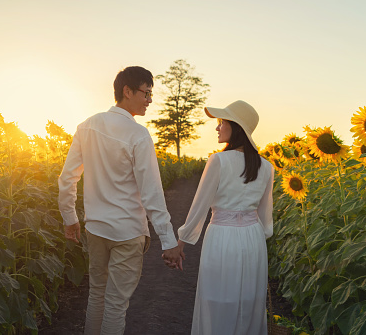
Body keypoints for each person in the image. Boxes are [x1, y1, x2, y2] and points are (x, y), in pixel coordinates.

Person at [58, 66, 183, 335]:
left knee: (97, 296)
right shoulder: (138, 135)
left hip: (96, 230)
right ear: (127, 91)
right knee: (115, 305)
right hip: (127, 233)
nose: (150, 100)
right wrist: (169, 241)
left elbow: (67, 178)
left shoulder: (86, 126)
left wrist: (70, 219)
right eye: (146, 93)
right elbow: (152, 194)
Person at [176, 100, 274, 335]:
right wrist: (256, 236)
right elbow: (265, 218)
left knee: (217, 299)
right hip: (253, 239)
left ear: (236, 127)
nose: (217, 128)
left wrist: (181, 243)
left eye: (221, 123)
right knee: (250, 302)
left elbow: (199, 205)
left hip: (222, 236)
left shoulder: (218, 160)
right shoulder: (267, 167)